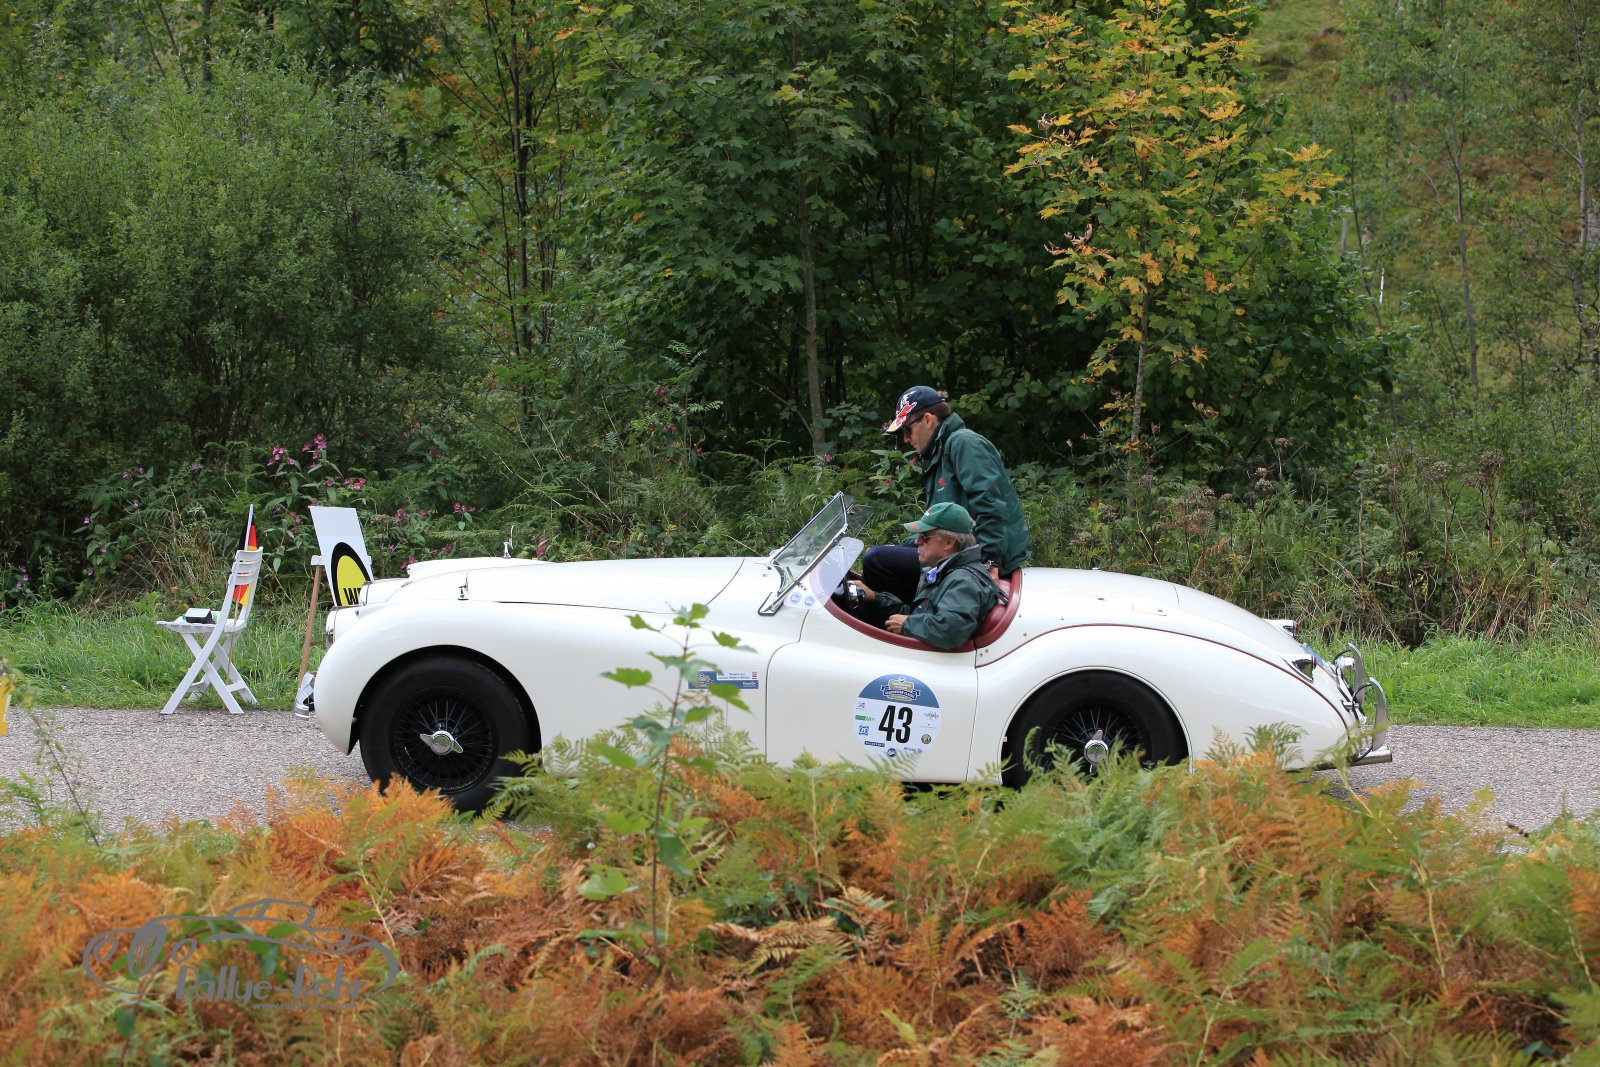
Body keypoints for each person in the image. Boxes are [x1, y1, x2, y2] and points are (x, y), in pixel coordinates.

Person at [861, 385, 1030, 606]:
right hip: (955, 553)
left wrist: (988, 564)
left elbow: (990, 506)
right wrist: (904, 546)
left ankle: (904, 623)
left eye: (907, 430)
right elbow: (937, 527)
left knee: (877, 561)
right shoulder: (941, 454)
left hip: (975, 558)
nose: (906, 439)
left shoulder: (964, 444)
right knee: (881, 555)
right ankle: (910, 617)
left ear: (928, 420)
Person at [854, 502, 1000, 650]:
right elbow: (919, 613)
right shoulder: (946, 571)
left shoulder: (963, 581)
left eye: (924, 537)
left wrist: (907, 625)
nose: (916, 541)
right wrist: (874, 598)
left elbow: (952, 631)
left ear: (949, 542)